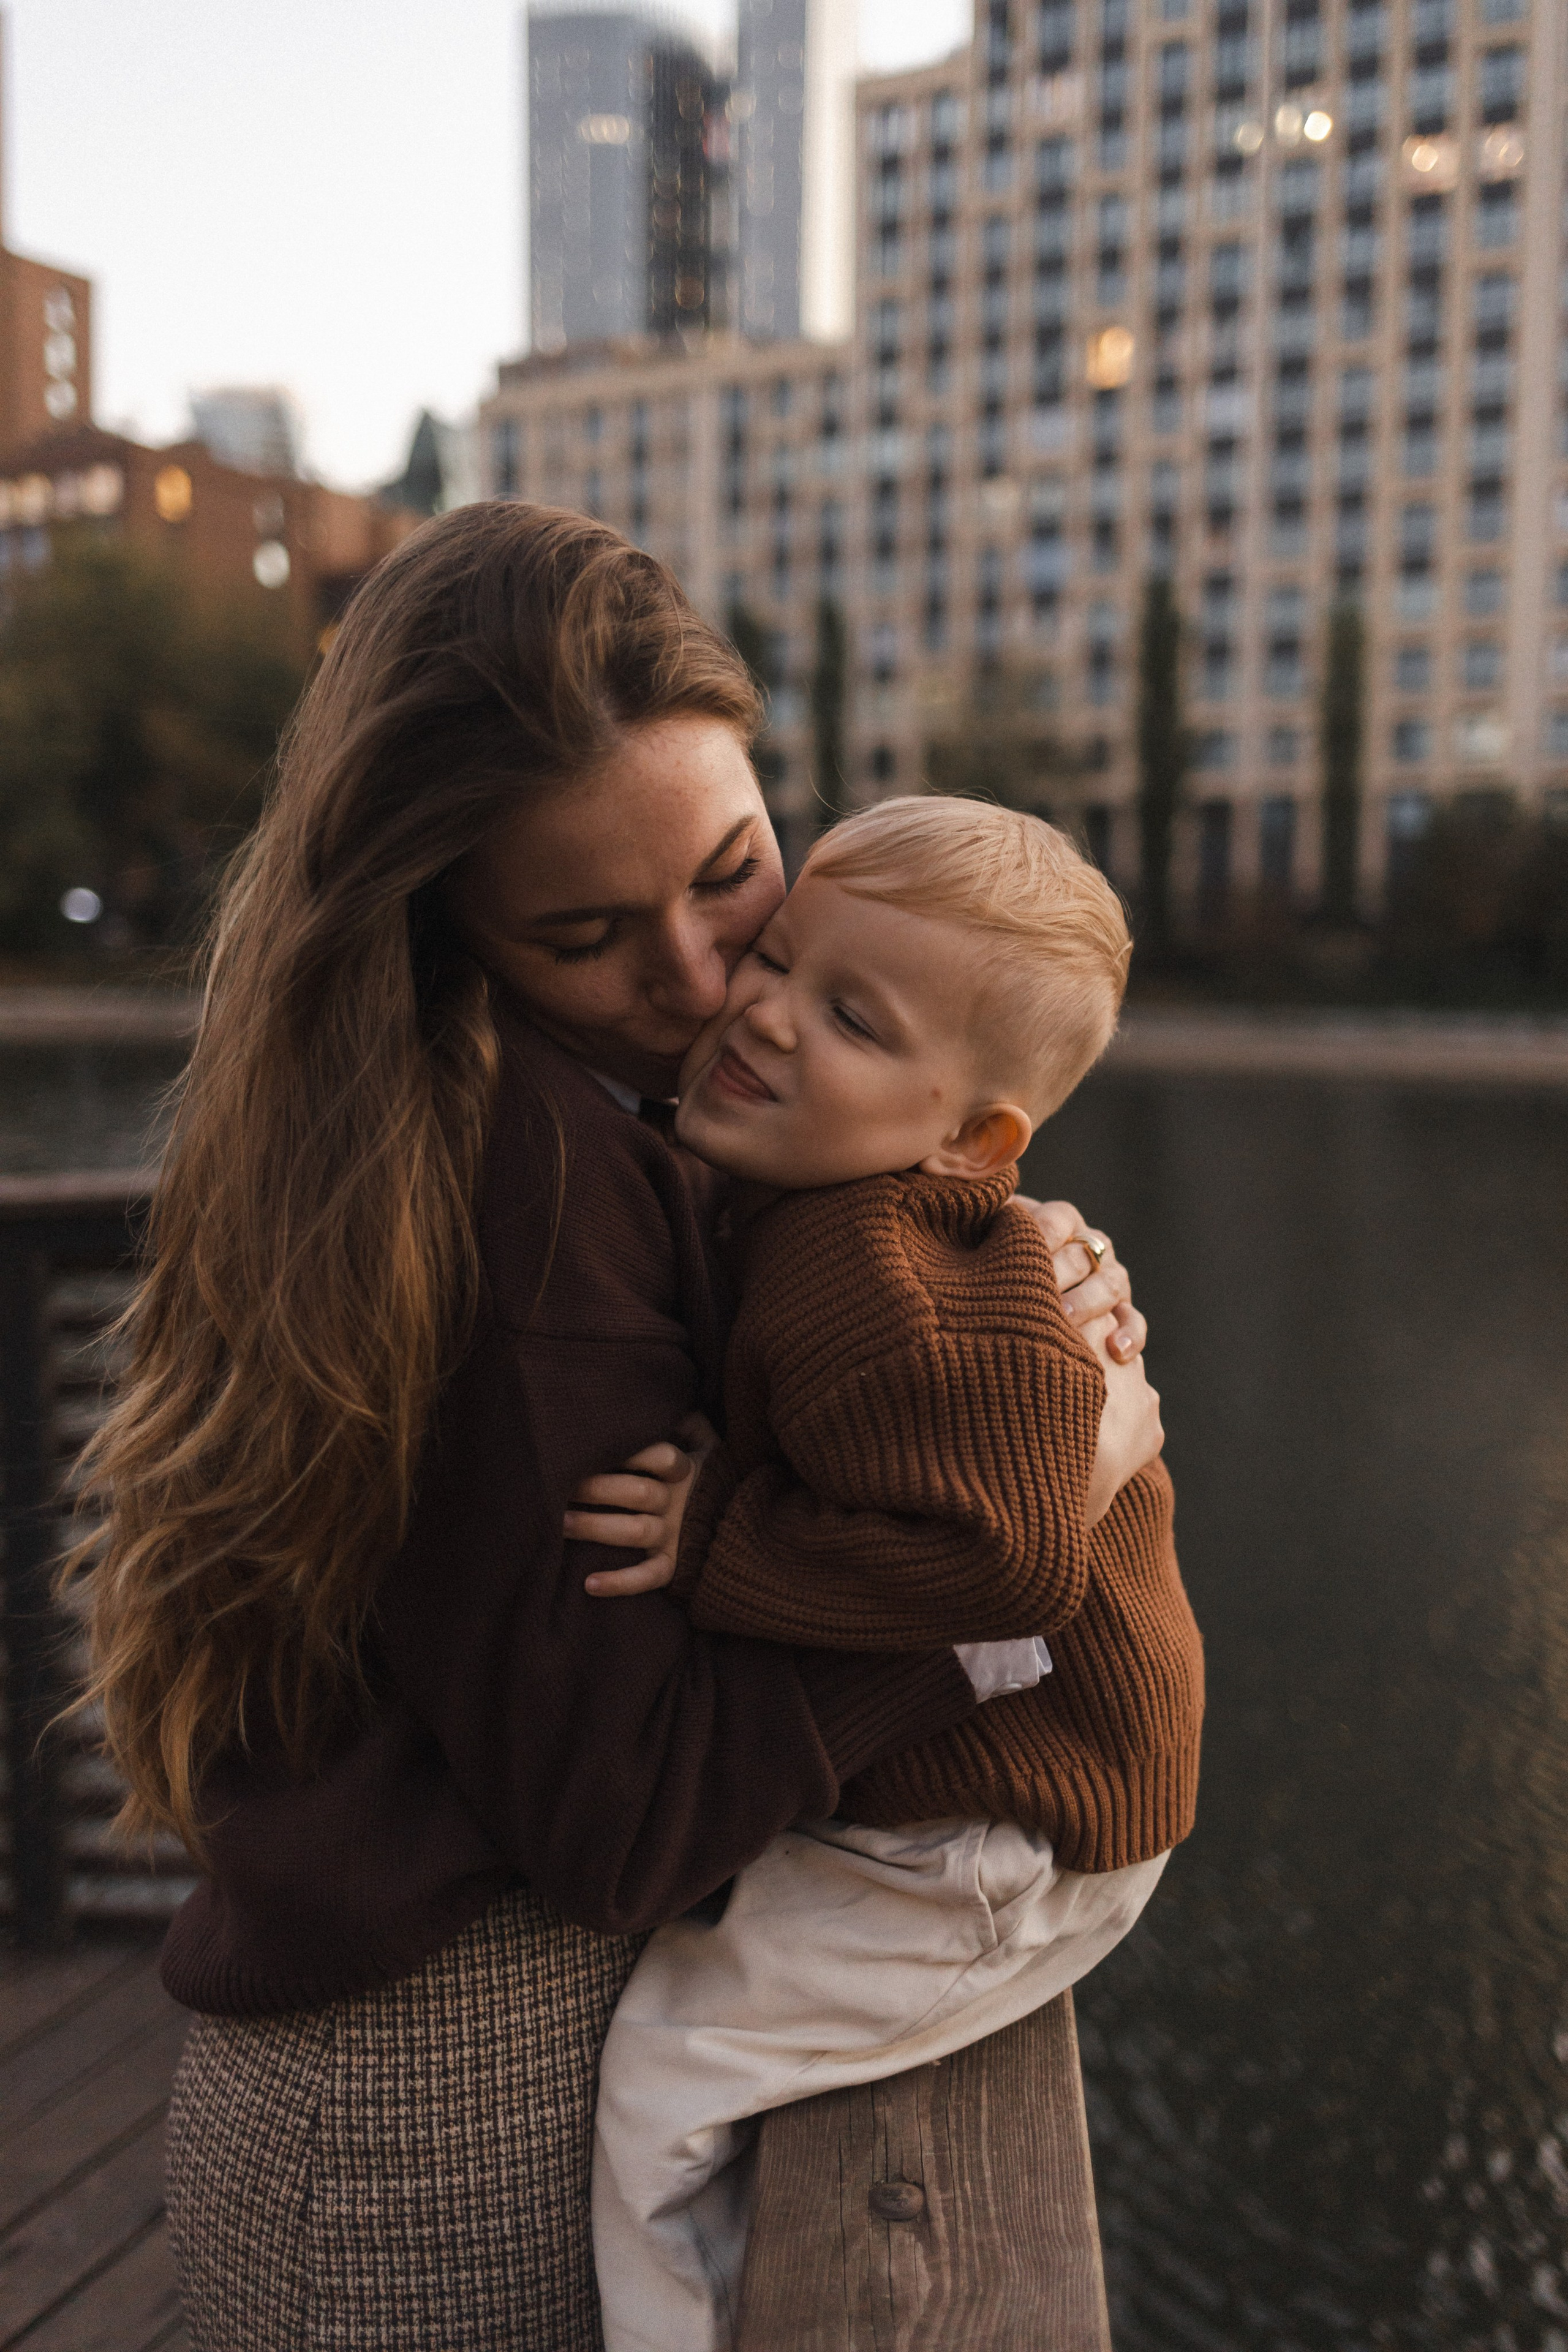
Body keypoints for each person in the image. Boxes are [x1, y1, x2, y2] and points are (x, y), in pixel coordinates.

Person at [70, 503, 1152, 2351]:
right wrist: (1023, 1561)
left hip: (387, 2078)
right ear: (445, 936)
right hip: (433, 2134)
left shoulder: (524, 1122)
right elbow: (631, 1817)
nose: (700, 976)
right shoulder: (536, 1201)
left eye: (735, 873)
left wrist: (996, 1313)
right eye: (586, 933)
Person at [583, 799, 1204, 2352]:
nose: (769, 1016)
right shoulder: (817, 1201)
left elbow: (1001, 1557)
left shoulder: (883, 1278)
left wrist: (723, 1534)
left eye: (850, 1018)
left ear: (969, 1141)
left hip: (1011, 1829)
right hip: (980, 1784)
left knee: (665, 2081)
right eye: (782, 959)